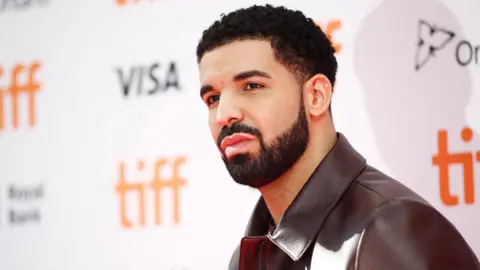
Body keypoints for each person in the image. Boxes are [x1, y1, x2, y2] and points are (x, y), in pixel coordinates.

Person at [195, 4, 480, 270]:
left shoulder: (388, 229)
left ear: (316, 96)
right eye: (213, 98)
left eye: (252, 86)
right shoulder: (253, 249)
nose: (224, 114)